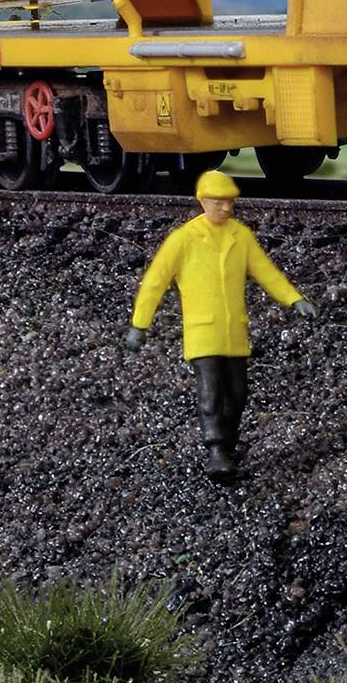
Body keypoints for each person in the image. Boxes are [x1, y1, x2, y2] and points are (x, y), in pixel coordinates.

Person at [126, 167, 307, 479]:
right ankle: (215, 450)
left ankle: (228, 446)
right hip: (203, 330)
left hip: (234, 329)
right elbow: (155, 281)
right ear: (203, 201)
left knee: (238, 393)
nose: (225, 207)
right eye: (218, 202)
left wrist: (293, 298)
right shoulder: (184, 239)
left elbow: (265, 271)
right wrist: (140, 324)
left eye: (229, 202)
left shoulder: (241, 235)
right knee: (210, 391)